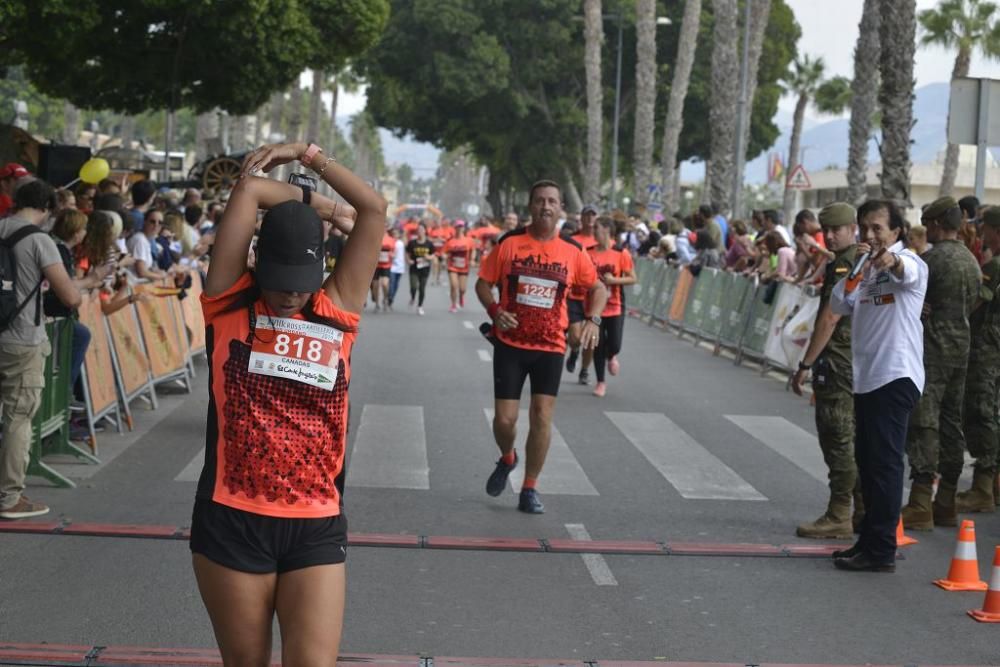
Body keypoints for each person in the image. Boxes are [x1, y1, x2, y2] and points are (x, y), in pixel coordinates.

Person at [192, 140, 385, 666]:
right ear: (256, 260)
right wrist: (315, 204)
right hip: (231, 519)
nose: (288, 295)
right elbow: (250, 188)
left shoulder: (337, 306)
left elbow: (373, 211)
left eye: (300, 286)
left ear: (320, 268)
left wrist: (307, 154)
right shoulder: (228, 300)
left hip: (316, 522)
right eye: (277, 283)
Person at [475, 180, 608, 514]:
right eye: (539, 201)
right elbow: (482, 284)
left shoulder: (573, 251)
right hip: (510, 344)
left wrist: (593, 320)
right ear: (530, 206)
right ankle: (508, 457)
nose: (546, 207)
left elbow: (598, 288)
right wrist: (495, 311)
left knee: (541, 416)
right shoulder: (509, 244)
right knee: (505, 421)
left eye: (552, 201)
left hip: (550, 347)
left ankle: (529, 488)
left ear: (560, 208)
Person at [829, 199, 927, 572]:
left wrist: (893, 260)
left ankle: (882, 550)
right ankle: (868, 541)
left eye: (877, 229)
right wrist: (858, 269)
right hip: (867, 378)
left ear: (897, 232)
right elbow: (839, 303)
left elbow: (909, 274)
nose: (869, 236)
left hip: (895, 375)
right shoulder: (864, 270)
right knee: (868, 464)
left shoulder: (911, 262)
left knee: (884, 465)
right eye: (864, 228)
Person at [0, 181, 83, 519]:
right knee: (18, 417)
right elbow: (70, 297)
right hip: (21, 339)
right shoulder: (39, 240)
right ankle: (9, 497)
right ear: (47, 208)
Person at [902, 196, 983, 530]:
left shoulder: (931, 261)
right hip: (961, 348)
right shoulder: (970, 260)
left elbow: (913, 298)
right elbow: (977, 300)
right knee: (952, 422)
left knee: (924, 421)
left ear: (937, 224)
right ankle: (946, 500)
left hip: (932, 349)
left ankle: (921, 501)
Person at [790, 203, 862, 539]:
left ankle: (839, 514)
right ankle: (861, 510)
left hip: (836, 361)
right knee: (851, 436)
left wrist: (804, 364)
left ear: (852, 228)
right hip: (853, 362)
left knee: (837, 437)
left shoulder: (845, 264)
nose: (831, 236)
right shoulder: (855, 260)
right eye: (827, 229)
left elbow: (830, 318)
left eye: (837, 229)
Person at [956, 206, 1000, 512]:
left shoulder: (995, 265)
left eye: (985, 228)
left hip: (988, 351)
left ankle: (983, 487)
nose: (981, 232)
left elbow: (975, 302)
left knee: (981, 412)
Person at [588, 217, 636, 398]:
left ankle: (612, 355)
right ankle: (600, 382)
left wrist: (614, 280)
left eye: (597, 229)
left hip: (615, 305)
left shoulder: (620, 252)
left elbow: (633, 278)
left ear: (607, 230)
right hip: (594, 306)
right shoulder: (589, 252)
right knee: (597, 344)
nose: (594, 232)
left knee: (615, 344)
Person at [564, 204, 599, 384]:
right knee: (576, 337)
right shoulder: (573, 239)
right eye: (587, 215)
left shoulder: (602, 240)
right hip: (575, 296)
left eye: (593, 215)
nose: (590, 219)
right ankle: (574, 350)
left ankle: (585, 370)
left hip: (594, 295)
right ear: (582, 218)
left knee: (591, 337)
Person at [128, 209, 171, 281]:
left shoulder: (146, 239)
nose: (156, 225)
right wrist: (161, 276)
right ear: (145, 222)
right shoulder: (140, 240)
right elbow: (141, 272)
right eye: (152, 221)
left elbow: (145, 268)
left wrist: (156, 271)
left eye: (160, 223)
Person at [443, 221, 475, 312]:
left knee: (462, 288)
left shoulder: (469, 240)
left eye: (461, 227)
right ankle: (453, 304)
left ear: (464, 228)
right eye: (458, 227)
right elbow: (445, 252)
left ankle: (461, 296)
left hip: (464, 267)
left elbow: (473, 250)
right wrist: (445, 256)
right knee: (453, 286)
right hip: (452, 266)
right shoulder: (450, 241)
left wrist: (472, 260)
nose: (460, 228)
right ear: (455, 228)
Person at [406, 222, 434, 315]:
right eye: (418, 230)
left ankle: (420, 306)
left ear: (425, 231)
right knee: (414, 286)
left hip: (425, 269)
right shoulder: (412, 243)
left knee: (422, 288)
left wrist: (429, 257)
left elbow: (433, 255)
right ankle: (413, 297)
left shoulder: (429, 243)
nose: (420, 231)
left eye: (422, 230)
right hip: (414, 268)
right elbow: (407, 253)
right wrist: (409, 260)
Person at [370, 226, 394, 311]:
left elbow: (394, 252)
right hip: (375, 265)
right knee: (375, 285)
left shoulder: (391, 239)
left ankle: (385, 298)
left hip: (386, 265)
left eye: (385, 227)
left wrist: (391, 255)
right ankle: (377, 303)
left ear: (387, 228)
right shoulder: (375, 237)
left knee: (384, 284)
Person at [388, 227, 406, 309]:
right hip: (391, 266)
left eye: (396, 234)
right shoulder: (389, 242)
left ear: (399, 235)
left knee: (396, 284)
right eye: (393, 234)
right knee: (391, 283)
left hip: (399, 266)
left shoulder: (400, 243)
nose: (395, 235)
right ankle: (390, 296)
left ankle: (391, 298)